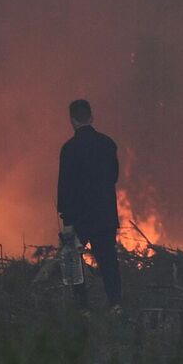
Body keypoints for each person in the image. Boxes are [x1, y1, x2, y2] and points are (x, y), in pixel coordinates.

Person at [56, 99, 123, 312]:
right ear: (91, 117)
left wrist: (67, 220)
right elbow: (113, 177)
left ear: (72, 120)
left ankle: (82, 308)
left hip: (79, 218)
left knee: (73, 263)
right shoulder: (108, 144)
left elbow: (65, 186)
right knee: (109, 262)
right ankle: (116, 304)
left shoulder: (69, 149)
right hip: (104, 216)